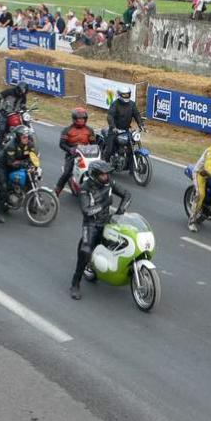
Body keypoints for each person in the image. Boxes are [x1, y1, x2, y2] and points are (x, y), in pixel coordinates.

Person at [70, 160, 131, 300]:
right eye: (103, 175)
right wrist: (104, 204)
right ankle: (75, 283)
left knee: (123, 242)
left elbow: (127, 194)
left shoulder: (109, 183)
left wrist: (120, 212)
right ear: (95, 175)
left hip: (108, 221)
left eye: (107, 174)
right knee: (85, 250)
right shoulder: (85, 188)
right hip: (91, 224)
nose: (106, 177)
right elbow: (86, 211)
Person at [0, 125, 36, 223]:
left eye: (27, 137)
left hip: (19, 165)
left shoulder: (30, 144)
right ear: (18, 137)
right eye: (24, 137)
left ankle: (31, 205)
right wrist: (24, 163)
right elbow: (11, 163)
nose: (26, 139)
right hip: (4, 167)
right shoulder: (11, 146)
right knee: (3, 187)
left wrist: (34, 165)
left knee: (31, 180)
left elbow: (34, 156)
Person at [54, 107, 97, 196]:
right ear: (74, 119)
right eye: (79, 118)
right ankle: (56, 192)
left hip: (85, 154)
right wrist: (70, 149)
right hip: (72, 155)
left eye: (83, 118)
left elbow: (94, 144)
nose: (81, 120)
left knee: (98, 170)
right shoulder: (67, 130)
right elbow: (62, 144)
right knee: (66, 173)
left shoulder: (90, 130)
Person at [103, 87, 145, 168]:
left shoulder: (132, 104)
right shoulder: (115, 104)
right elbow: (110, 116)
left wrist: (141, 125)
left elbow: (137, 114)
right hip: (115, 130)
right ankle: (105, 165)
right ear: (119, 95)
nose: (126, 96)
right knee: (110, 149)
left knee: (130, 146)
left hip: (126, 129)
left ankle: (131, 169)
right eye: (124, 95)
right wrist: (113, 127)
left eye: (128, 94)